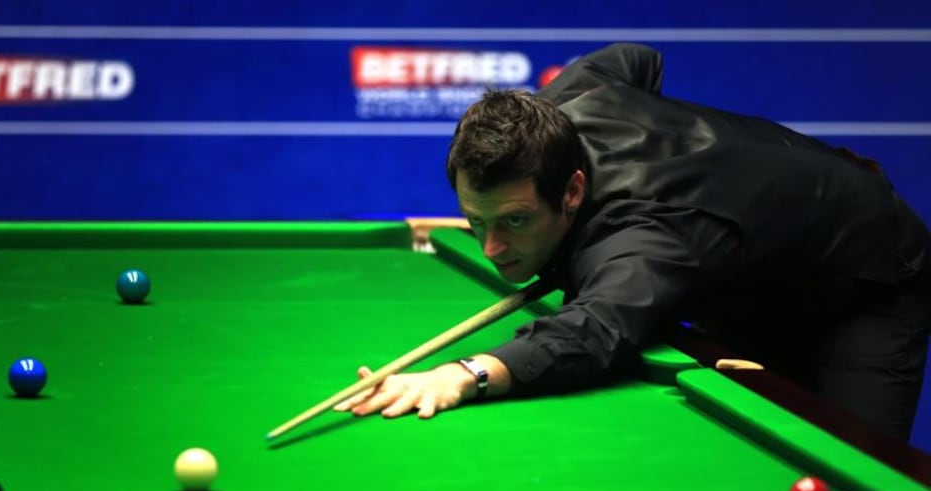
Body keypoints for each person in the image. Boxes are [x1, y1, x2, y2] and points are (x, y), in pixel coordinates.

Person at [333, 42, 931, 440]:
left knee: (858, 464)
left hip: (864, 274)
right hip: (745, 261)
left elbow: (595, 331)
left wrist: (465, 373)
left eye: (513, 222)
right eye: (478, 221)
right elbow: (635, 59)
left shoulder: (640, 239)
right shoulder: (568, 104)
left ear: (571, 192)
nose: (490, 250)